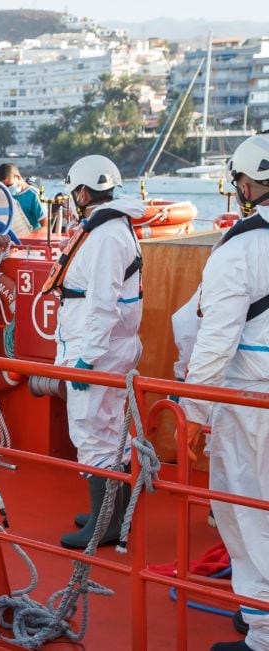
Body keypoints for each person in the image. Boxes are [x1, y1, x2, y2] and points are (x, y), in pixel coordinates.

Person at [180, 134, 269, 651]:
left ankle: (262, 632)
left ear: (244, 184)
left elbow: (215, 342)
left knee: (248, 508)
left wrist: (193, 412)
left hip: (249, 399)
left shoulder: (241, 247)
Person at [52, 154, 144, 550]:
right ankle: (112, 512)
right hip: (109, 345)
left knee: (91, 431)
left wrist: (86, 359)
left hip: (100, 349)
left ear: (84, 192)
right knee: (109, 431)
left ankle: (105, 524)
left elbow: (103, 302)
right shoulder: (112, 228)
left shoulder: (105, 235)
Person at [0, 163, 45, 231]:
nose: (7, 189)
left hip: (31, 237)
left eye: (9, 185)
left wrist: (27, 237)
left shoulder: (34, 195)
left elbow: (46, 227)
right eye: (3, 186)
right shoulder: (5, 195)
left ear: (18, 177)